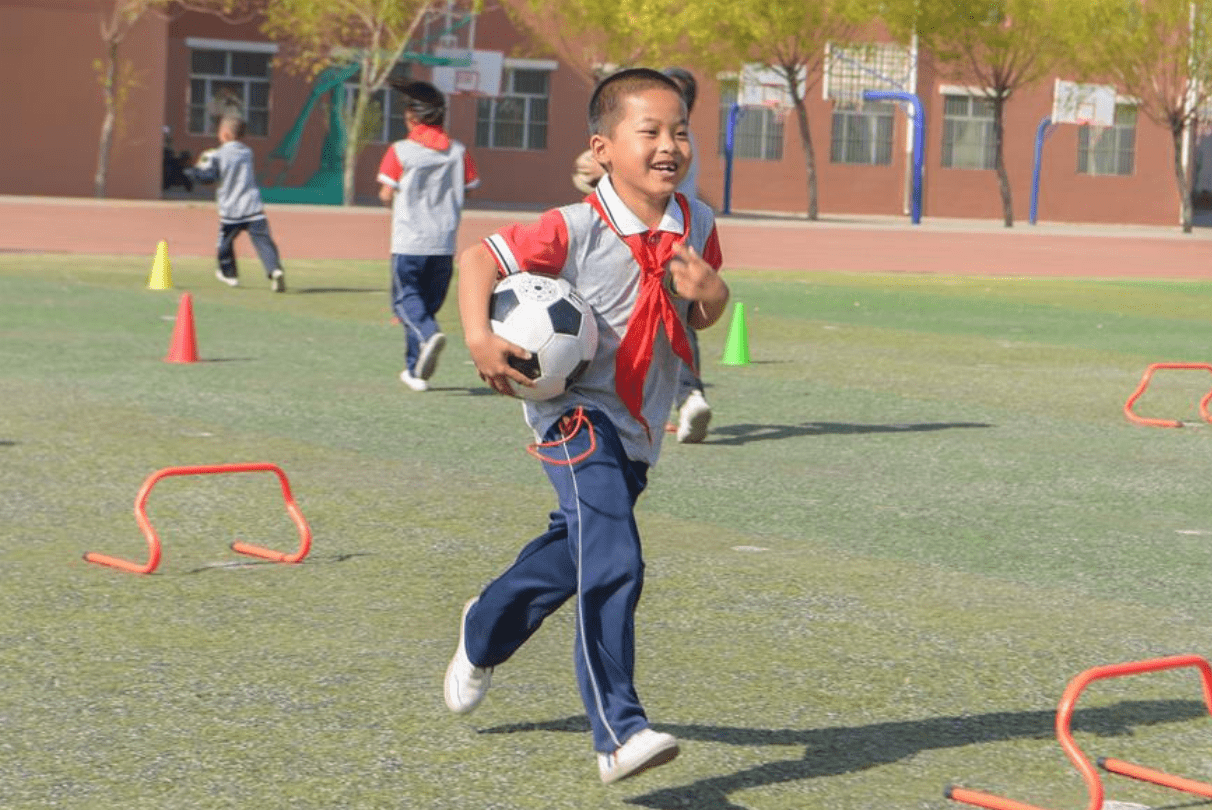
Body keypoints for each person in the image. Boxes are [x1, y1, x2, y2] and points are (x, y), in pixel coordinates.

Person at [449, 68, 729, 784]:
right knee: (616, 560)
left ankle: (485, 625)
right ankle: (618, 732)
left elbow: (698, 312)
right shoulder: (571, 227)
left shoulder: (696, 222)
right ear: (603, 149)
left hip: (638, 428)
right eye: (651, 132)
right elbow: (478, 257)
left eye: (681, 131)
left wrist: (716, 295)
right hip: (570, 418)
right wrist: (481, 338)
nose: (670, 146)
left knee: (575, 556)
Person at [569, 66, 712, 443]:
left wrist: (596, 169)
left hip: (648, 238)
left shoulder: (654, 144)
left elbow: (629, 180)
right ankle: (688, 394)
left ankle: (660, 398)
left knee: (646, 317)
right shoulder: (683, 142)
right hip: (684, 237)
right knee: (676, 316)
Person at [377, 80, 480, 392]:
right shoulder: (458, 152)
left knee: (406, 301)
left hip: (408, 243)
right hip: (444, 244)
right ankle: (415, 371)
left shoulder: (400, 151)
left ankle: (428, 334)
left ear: (412, 118)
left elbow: (385, 193)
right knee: (424, 306)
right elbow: (470, 190)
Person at [185, 115, 286, 292]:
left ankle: (230, 275)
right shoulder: (247, 152)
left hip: (232, 210)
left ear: (224, 134)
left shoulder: (218, 155)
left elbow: (211, 177)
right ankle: (274, 270)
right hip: (253, 207)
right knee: (263, 241)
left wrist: (193, 172)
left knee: (224, 244)